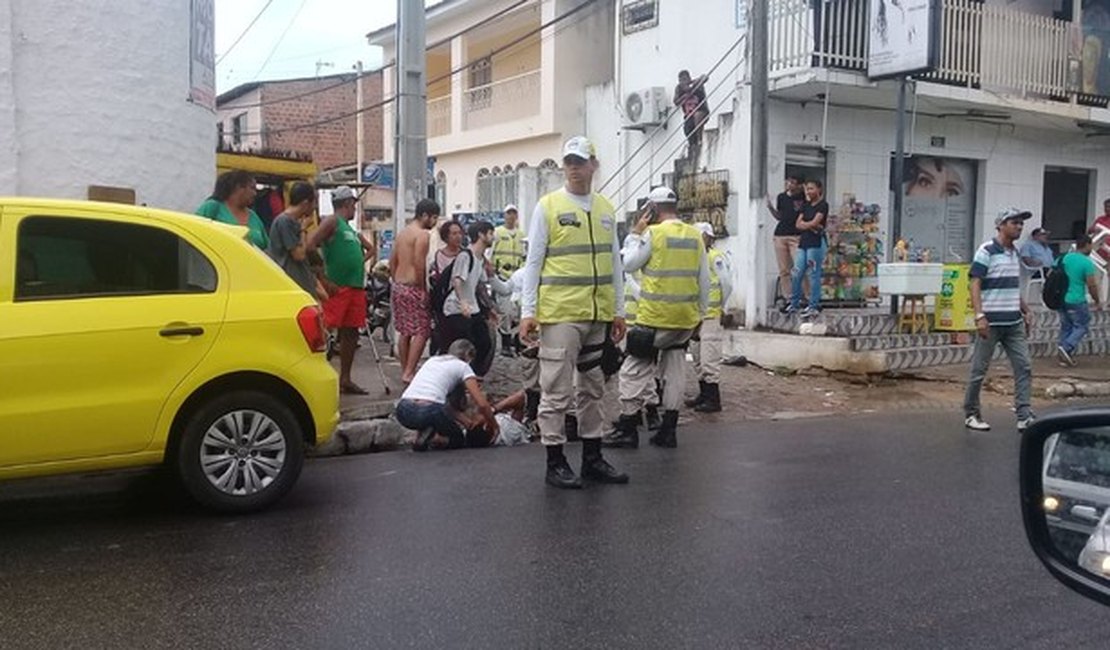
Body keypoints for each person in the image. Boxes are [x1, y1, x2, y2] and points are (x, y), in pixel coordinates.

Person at [520, 135, 628, 489]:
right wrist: (528, 311)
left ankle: (593, 458)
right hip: (561, 315)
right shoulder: (548, 206)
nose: (574, 168)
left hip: (597, 316)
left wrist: (618, 310)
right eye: (569, 162)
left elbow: (614, 263)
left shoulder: (605, 209)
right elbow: (533, 262)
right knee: (555, 390)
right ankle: (555, 461)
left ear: (593, 165)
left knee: (593, 388)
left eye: (580, 162)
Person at [607, 186, 709, 450]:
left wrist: (634, 234)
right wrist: (700, 315)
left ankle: (628, 427)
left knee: (632, 369)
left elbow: (628, 264)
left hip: (655, 319)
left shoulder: (653, 233)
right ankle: (668, 430)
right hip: (685, 319)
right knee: (675, 372)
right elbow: (704, 280)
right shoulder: (695, 236)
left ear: (651, 209)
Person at [964, 208, 1035, 432]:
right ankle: (971, 413)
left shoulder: (1014, 253)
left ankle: (1024, 414)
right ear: (1001, 225)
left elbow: (1012, 285)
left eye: (1021, 223)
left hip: (1013, 322)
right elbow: (974, 283)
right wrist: (979, 316)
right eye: (1015, 222)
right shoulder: (987, 250)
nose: (1019, 227)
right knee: (979, 371)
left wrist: (1025, 309)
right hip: (991, 322)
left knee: (1024, 366)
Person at [308, 186, 375, 395]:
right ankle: (314, 377)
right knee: (326, 329)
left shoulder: (349, 229)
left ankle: (345, 378)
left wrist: (357, 263)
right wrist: (322, 277)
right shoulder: (332, 221)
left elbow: (368, 250)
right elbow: (311, 245)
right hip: (339, 287)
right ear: (348, 204)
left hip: (355, 286)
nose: (355, 208)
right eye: (354, 204)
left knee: (351, 333)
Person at [395, 339, 499, 451]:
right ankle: (434, 439)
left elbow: (443, 404)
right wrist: (494, 425)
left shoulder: (432, 361)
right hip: (429, 411)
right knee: (458, 439)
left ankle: (423, 433)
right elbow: (482, 404)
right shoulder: (463, 366)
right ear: (468, 356)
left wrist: (465, 422)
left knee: (432, 408)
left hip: (403, 409)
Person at [439, 221, 511, 376]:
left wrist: (490, 307)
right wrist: (463, 301)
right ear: (481, 235)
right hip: (456, 309)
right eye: (491, 233)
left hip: (473, 309)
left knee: (484, 343)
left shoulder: (480, 259)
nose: (493, 237)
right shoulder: (465, 256)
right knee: (462, 348)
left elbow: (480, 285)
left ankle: (471, 377)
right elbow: (457, 280)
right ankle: (459, 382)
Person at [390, 199, 440, 383]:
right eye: (434, 217)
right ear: (424, 215)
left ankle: (406, 370)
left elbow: (392, 261)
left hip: (398, 286)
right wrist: (422, 289)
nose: (434, 223)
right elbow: (419, 263)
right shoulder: (422, 235)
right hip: (412, 286)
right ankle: (410, 371)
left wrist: (396, 280)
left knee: (405, 331)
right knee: (422, 330)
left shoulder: (403, 233)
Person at [685, 222, 732, 414]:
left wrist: (723, 307)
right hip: (696, 316)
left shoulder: (714, 257)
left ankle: (713, 399)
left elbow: (726, 284)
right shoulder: (695, 259)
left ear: (707, 237)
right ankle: (703, 395)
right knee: (697, 357)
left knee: (709, 359)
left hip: (711, 316)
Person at [267, 181, 328, 302]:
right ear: (306, 203)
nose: (315, 207)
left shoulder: (295, 221)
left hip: (303, 286)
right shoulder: (285, 222)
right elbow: (299, 255)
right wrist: (303, 229)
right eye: (314, 202)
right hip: (291, 288)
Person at [1057, 235, 1103, 367]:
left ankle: (1063, 356)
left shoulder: (1064, 258)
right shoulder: (1086, 262)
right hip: (1076, 299)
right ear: (1087, 245)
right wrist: (1097, 300)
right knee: (1082, 325)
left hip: (1061, 298)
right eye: (1091, 246)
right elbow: (1092, 285)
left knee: (1066, 326)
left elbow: (1052, 272)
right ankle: (1066, 347)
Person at [196, 170, 269, 250]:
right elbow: (195, 232)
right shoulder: (213, 207)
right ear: (239, 187)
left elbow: (267, 247)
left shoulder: (254, 217)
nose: (255, 193)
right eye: (252, 188)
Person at [787, 180, 828, 316]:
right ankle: (794, 303)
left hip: (815, 244)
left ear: (819, 189)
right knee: (796, 272)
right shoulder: (806, 206)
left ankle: (813, 305)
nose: (809, 192)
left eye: (811, 189)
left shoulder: (823, 205)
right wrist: (810, 225)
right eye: (807, 189)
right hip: (803, 243)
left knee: (813, 274)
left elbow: (816, 221)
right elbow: (798, 224)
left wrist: (809, 224)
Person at [491, 204, 525, 355]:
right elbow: (490, 253)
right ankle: (505, 343)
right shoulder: (497, 233)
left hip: (517, 278)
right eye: (508, 213)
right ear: (504, 216)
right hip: (502, 276)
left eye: (513, 213)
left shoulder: (520, 234)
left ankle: (515, 340)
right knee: (505, 312)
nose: (511, 216)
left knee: (517, 312)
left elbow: (524, 255)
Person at [767, 175, 806, 306]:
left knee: (800, 266)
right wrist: (770, 208)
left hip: (796, 236)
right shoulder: (782, 197)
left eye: (793, 182)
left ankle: (807, 295)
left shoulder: (804, 198)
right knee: (784, 269)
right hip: (780, 235)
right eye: (788, 181)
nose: (790, 184)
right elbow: (780, 216)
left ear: (800, 185)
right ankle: (788, 297)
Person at [674, 70, 709, 160]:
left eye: (685, 80)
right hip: (689, 116)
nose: (683, 83)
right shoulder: (679, 89)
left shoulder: (697, 85)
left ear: (689, 79)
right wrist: (684, 96)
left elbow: (705, 77)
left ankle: (699, 140)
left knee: (697, 117)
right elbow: (676, 102)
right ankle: (692, 148)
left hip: (701, 112)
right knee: (687, 130)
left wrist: (694, 83)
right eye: (681, 80)